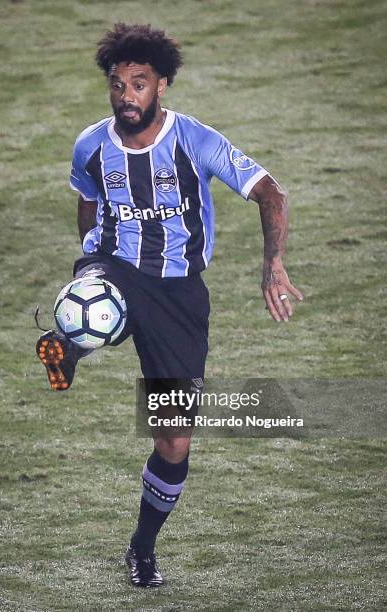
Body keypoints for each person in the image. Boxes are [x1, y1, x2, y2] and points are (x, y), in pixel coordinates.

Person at [36, 22, 303, 587]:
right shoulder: (92, 143)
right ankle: (68, 347)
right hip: (116, 268)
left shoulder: (195, 140)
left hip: (180, 293)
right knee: (95, 298)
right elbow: (89, 201)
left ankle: (142, 548)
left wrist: (272, 263)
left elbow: (269, 191)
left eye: (139, 84)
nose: (126, 96)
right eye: (117, 84)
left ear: (162, 86)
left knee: (174, 439)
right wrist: (89, 258)